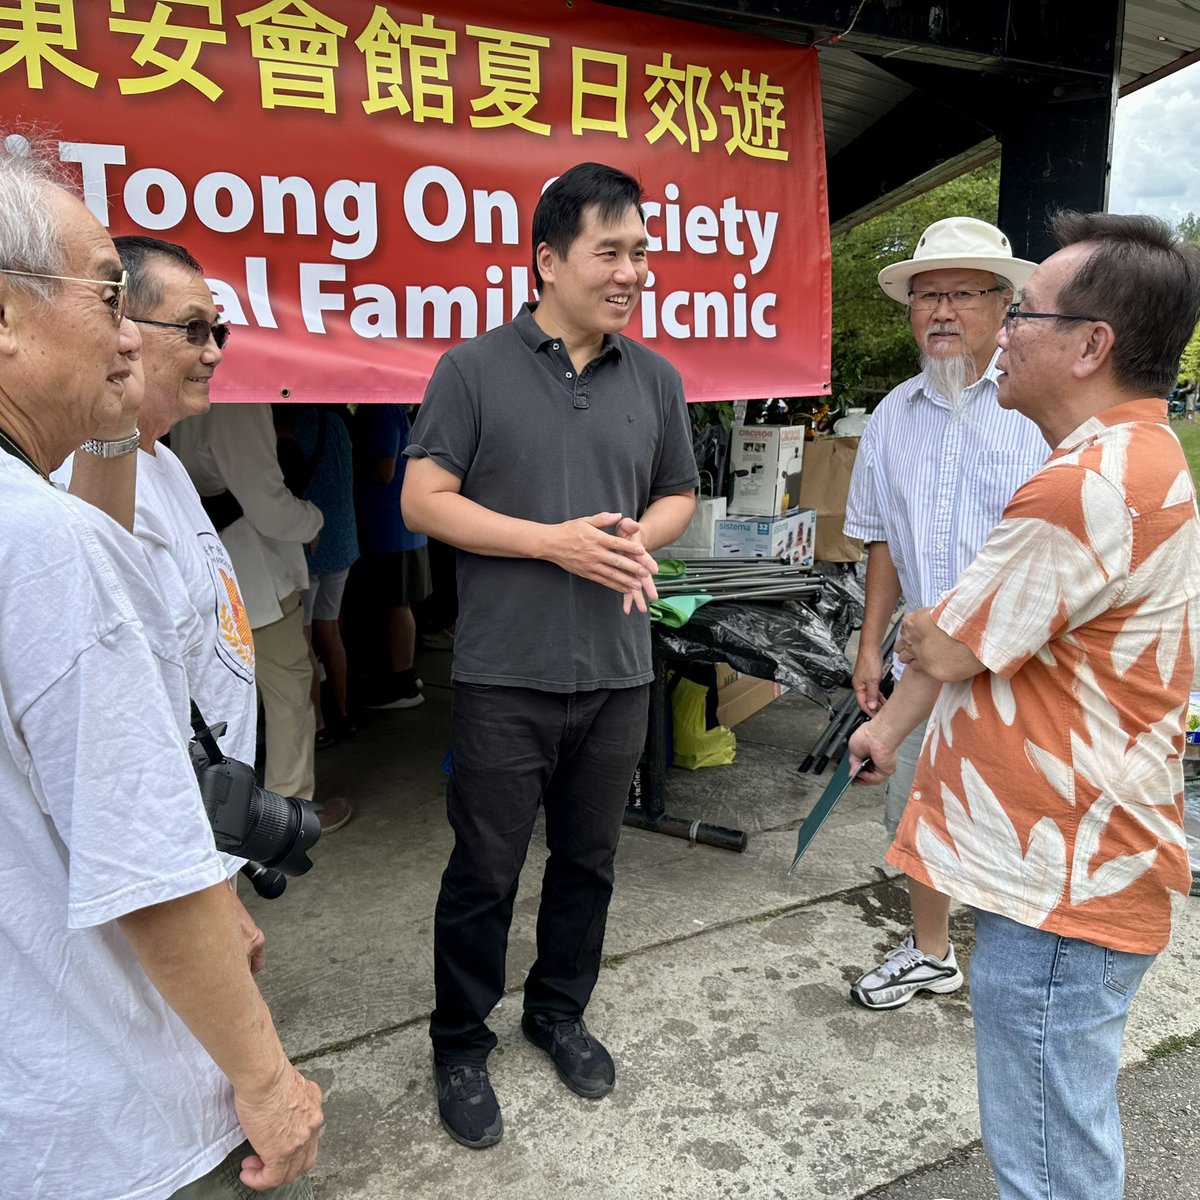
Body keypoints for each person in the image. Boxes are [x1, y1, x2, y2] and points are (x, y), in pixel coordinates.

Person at [849, 212, 1200, 1200]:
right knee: (1064, 1135)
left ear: (1090, 344)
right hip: (1074, 855)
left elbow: (956, 639)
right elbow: (949, 619)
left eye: (1021, 311)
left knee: (1049, 1163)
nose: (998, 331)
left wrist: (926, 632)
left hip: (1065, 883)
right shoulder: (1140, 455)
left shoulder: (1082, 483)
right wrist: (896, 680)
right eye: (934, 292)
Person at [0, 133, 322, 1196]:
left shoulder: (134, 485)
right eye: (106, 301)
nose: (204, 347)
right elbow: (129, 835)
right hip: (97, 1102)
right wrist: (267, 1078)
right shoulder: (45, 534)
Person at [402, 162, 698, 1149]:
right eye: (610, 252)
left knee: (590, 861)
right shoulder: (473, 369)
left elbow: (678, 495)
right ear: (548, 261)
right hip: (503, 675)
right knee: (485, 869)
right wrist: (553, 540)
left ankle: (558, 1012)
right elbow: (424, 499)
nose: (631, 272)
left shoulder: (653, 378)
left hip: (616, 674)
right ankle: (458, 1039)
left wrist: (634, 541)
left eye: (641, 253)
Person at [842, 217, 1046, 1009]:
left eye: (964, 292)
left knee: (1019, 813)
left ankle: (1020, 964)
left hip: (1022, 668)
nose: (943, 311)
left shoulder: (1037, 409)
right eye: (927, 295)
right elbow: (884, 542)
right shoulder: (893, 415)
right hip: (923, 663)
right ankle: (931, 951)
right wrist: (870, 649)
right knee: (919, 807)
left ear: (1005, 305)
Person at [173, 401, 352, 832]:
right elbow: (266, 503)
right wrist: (313, 520)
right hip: (251, 570)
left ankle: (230, 814)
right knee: (289, 691)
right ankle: (285, 821)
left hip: (214, 563)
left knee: (226, 696)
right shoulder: (237, 401)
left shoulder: (189, 393)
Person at [275, 403, 360, 745]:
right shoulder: (339, 423)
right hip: (343, 537)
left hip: (309, 540)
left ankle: (318, 722)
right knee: (331, 630)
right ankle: (342, 712)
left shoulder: (287, 429)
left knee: (304, 635)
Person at [348, 402, 431, 710]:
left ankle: (402, 682)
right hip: (397, 523)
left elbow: (383, 470)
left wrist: (346, 467)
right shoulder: (392, 408)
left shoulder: (380, 410)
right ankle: (404, 675)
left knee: (396, 605)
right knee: (398, 604)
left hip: (388, 525)